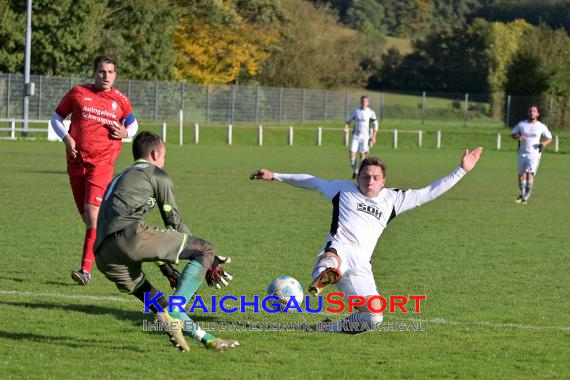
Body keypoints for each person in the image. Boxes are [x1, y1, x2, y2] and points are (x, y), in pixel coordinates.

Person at [250, 147, 483, 333]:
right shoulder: (342, 190)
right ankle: (324, 273)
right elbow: (311, 181)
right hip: (339, 248)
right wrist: (275, 176)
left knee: (373, 317)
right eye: (365, 176)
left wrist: (461, 170)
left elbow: (429, 192)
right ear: (358, 177)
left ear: (383, 181)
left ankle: (326, 329)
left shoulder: (394, 199)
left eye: (375, 178)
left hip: (362, 265)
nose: (370, 181)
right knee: (332, 258)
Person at [94, 131, 238, 352]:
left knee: (160, 305)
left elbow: (152, 244)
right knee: (206, 249)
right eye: (163, 157)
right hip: (131, 237)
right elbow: (174, 222)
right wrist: (210, 262)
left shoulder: (120, 176)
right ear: (154, 154)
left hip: (104, 254)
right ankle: (176, 311)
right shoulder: (157, 174)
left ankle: (209, 340)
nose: (163, 162)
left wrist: (167, 269)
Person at [50, 55, 139, 285]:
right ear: (95, 73)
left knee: (92, 215)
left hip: (102, 164)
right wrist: (66, 138)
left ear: (115, 75)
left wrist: (125, 133)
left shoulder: (120, 100)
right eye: (102, 71)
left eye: (110, 72)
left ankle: (85, 270)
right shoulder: (78, 92)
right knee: (90, 221)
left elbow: (133, 124)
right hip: (76, 162)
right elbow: (57, 117)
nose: (106, 76)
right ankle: (119, 245)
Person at [511, 105, 552, 204]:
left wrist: (543, 144)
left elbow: (549, 138)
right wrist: (518, 137)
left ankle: (525, 198)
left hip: (534, 154)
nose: (532, 112)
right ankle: (522, 193)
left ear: (537, 114)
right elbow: (513, 134)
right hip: (522, 154)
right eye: (530, 111)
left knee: (530, 174)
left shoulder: (541, 126)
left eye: (534, 111)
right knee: (521, 176)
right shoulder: (521, 124)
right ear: (528, 113)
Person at [344, 95, 379, 179]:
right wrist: (346, 127)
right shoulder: (356, 111)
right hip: (355, 136)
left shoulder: (371, 112)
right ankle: (355, 171)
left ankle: (361, 173)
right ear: (360, 102)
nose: (364, 102)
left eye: (365, 101)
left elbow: (376, 125)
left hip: (365, 137)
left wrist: (374, 136)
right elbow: (348, 121)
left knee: (362, 156)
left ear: (368, 103)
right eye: (362, 101)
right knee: (352, 155)